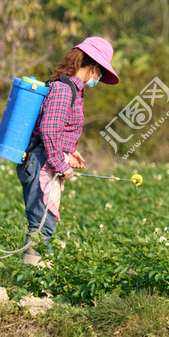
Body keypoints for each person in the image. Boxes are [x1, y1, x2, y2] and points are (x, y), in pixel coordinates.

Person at [17, 36, 119, 266]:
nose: (99, 79)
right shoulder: (64, 89)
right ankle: (31, 283)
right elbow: (48, 130)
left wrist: (69, 151)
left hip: (44, 159)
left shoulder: (72, 89)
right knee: (42, 225)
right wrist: (61, 165)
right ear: (93, 68)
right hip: (41, 162)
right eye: (100, 73)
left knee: (44, 223)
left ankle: (40, 277)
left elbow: (56, 129)